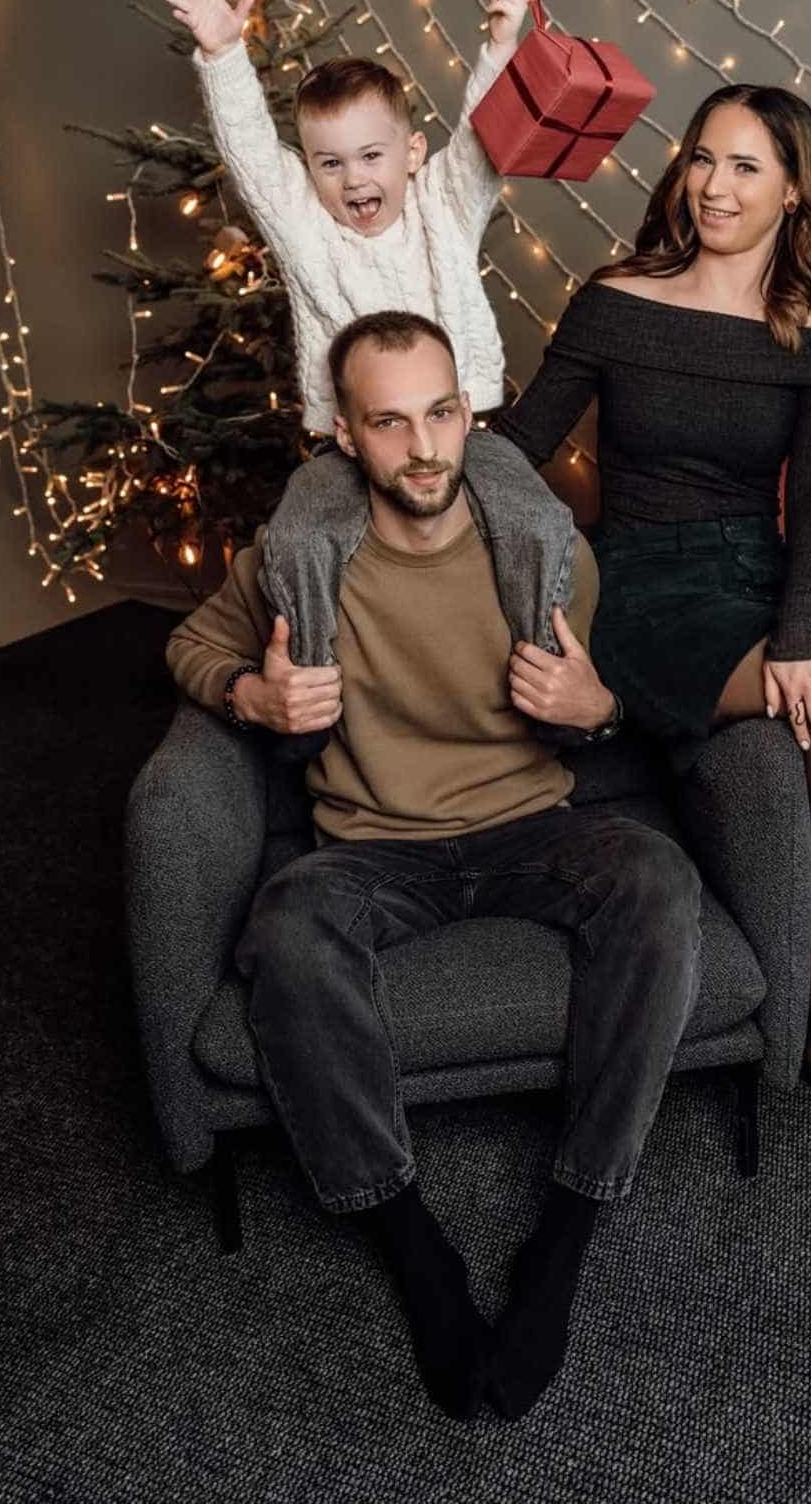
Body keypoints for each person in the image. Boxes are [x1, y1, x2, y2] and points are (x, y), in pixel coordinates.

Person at [166, 311, 702, 1421]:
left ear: (470, 413)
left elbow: (611, 705)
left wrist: (595, 711)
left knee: (657, 878)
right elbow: (190, 645)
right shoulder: (298, 559)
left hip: (531, 827)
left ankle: (567, 1234)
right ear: (343, 437)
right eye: (390, 421)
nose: (424, 448)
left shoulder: (548, 550)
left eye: (443, 413)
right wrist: (251, 696)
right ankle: (412, 1244)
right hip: (372, 845)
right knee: (286, 928)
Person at [495, 84, 811, 1090]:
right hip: (647, 584)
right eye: (703, 157)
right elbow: (520, 448)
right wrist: (408, 479)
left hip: (759, 575)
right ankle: (800, 891)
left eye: (746, 166)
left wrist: (800, 636)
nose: (714, 185)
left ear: (794, 192)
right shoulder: (615, 301)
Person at [149, 0, 551, 428]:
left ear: (414, 153)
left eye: (371, 156)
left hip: (458, 423)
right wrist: (223, 56)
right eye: (331, 163)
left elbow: (478, 142)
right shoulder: (306, 226)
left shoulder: (444, 207)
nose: (354, 178)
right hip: (351, 438)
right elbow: (252, 150)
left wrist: (501, 46)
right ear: (309, 169)